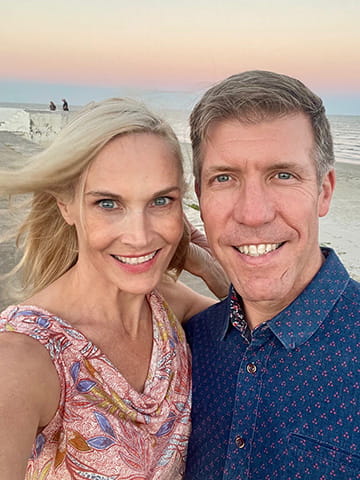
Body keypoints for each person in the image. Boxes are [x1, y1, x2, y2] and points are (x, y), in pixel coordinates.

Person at [0, 98, 228, 479]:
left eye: (161, 201)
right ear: (66, 207)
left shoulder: (165, 306)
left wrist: (210, 269)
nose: (139, 236)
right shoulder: (22, 359)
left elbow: (263, 336)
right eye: (108, 203)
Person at [184, 70, 360, 479]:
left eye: (283, 175)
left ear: (324, 191)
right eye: (224, 178)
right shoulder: (185, 346)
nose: (252, 213)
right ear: (200, 198)